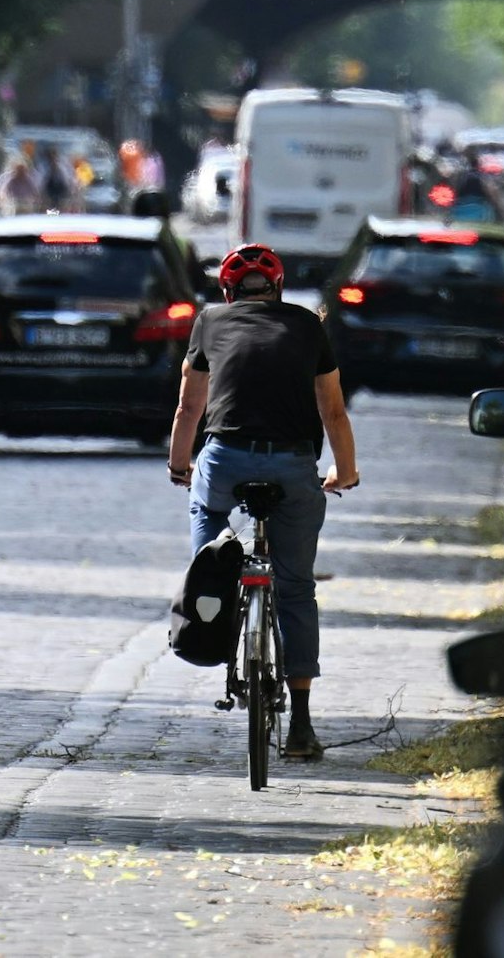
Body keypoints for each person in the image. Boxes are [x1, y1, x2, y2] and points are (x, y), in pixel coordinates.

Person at [165, 243, 360, 762]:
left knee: (207, 511)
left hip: (226, 460)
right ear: (277, 287)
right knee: (296, 590)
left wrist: (179, 464)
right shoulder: (307, 326)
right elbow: (334, 413)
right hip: (293, 467)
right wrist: (346, 470)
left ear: (228, 292)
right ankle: (300, 724)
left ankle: (215, 575)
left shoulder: (209, 321)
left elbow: (190, 405)